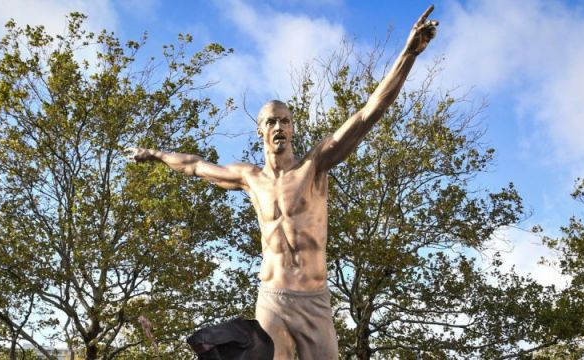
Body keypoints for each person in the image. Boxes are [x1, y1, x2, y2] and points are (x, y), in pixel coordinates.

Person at [127, 6, 438, 359]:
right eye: (272, 121)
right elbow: (195, 166)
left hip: (314, 302)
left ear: (293, 129)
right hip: (272, 299)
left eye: (286, 121)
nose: (280, 127)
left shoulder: (314, 166)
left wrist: (409, 54)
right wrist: (152, 153)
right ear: (260, 129)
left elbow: (370, 112)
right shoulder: (249, 178)